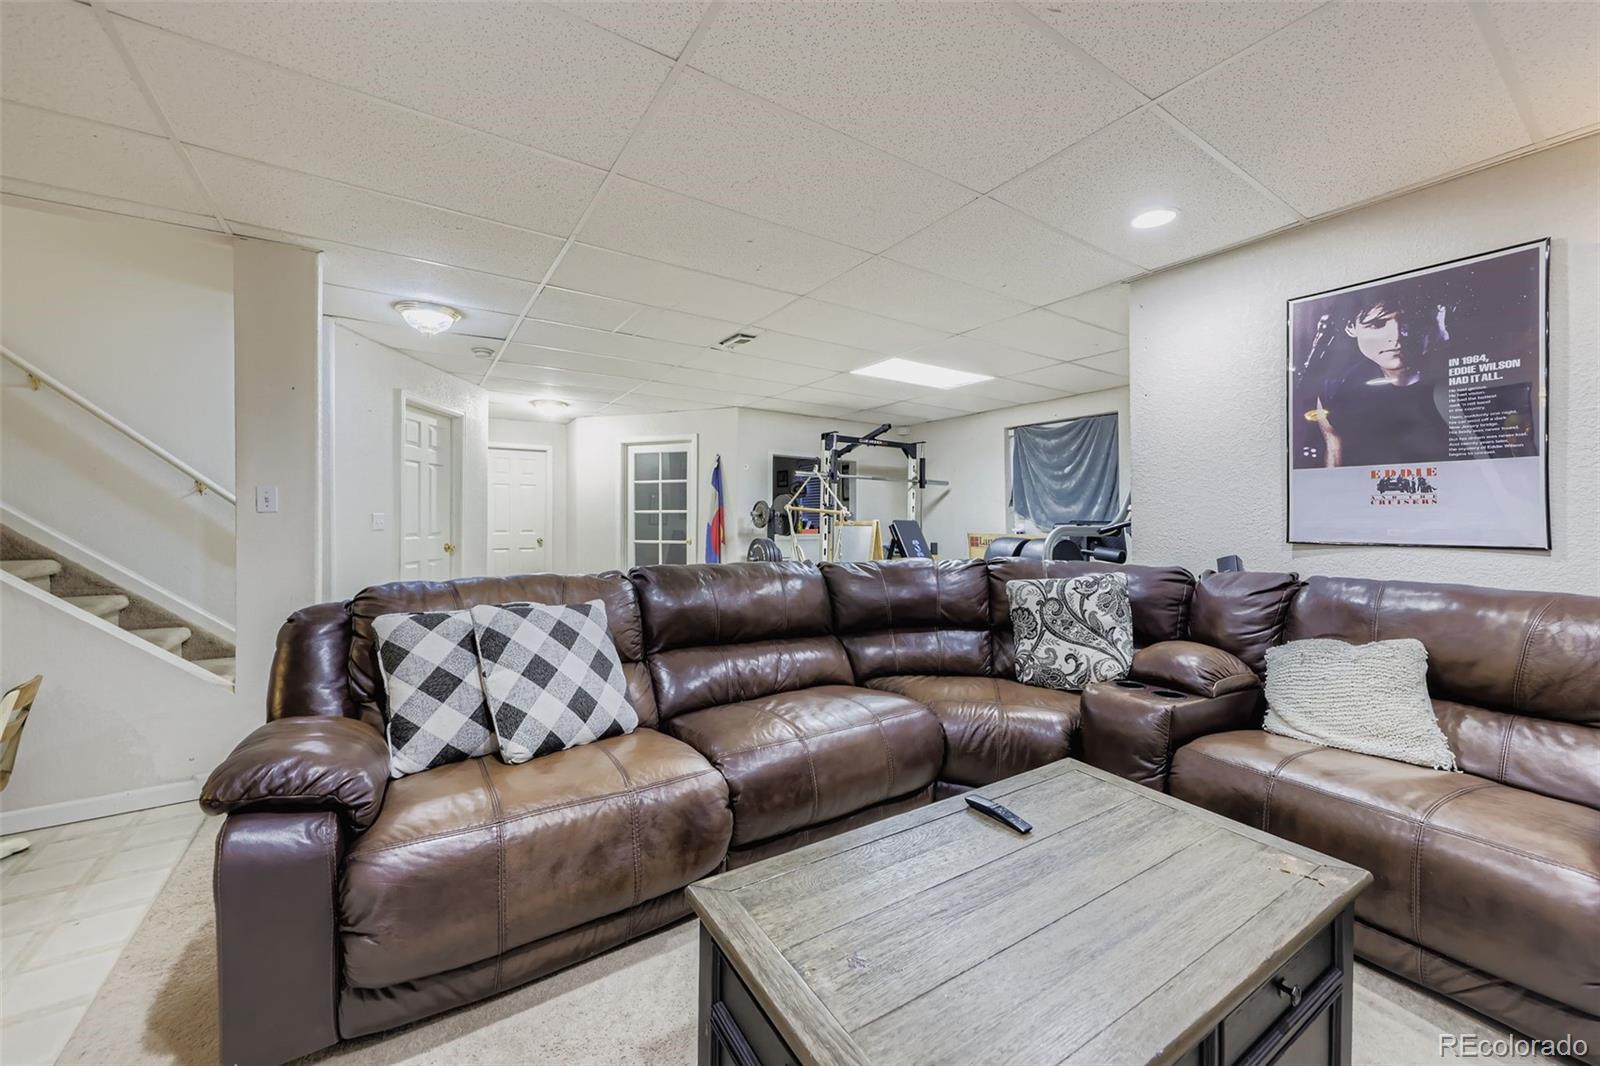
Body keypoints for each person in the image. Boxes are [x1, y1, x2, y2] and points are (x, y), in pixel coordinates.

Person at [1301, 287, 1450, 468]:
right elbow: (1333, 450)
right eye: (1378, 324)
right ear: (1351, 327)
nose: (1396, 336)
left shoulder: (1451, 384)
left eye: (1411, 320)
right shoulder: (1336, 390)